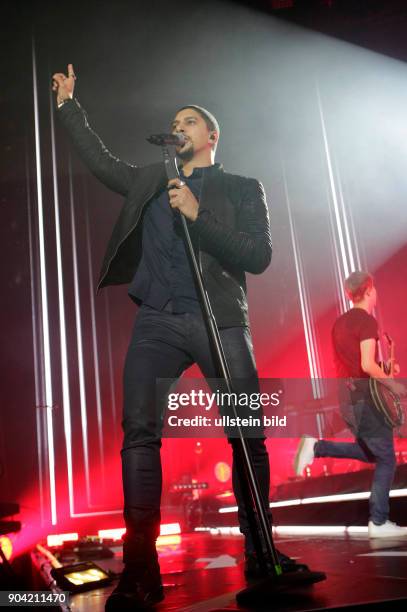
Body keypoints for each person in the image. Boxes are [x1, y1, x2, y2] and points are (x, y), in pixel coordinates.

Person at [52, 64, 311, 610]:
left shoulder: (242, 188)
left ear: (211, 136)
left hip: (221, 319)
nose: (180, 126)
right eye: (175, 121)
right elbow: (102, 164)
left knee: (247, 435)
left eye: (190, 121)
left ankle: (263, 553)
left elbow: (258, 256)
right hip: (158, 319)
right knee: (139, 436)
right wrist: (68, 108)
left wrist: (197, 216)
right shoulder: (151, 178)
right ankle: (140, 571)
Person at [294, 271, 407, 538]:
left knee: (372, 454)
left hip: (348, 400)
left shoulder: (340, 323)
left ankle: (316, 447)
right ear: (368, 290)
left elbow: (356, 366)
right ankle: (379, 523)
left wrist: (384, 368)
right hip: (364, 402)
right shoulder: (366, 322)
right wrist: (393, 384)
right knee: (387, 459)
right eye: (375, 288)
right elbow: (366, 366)